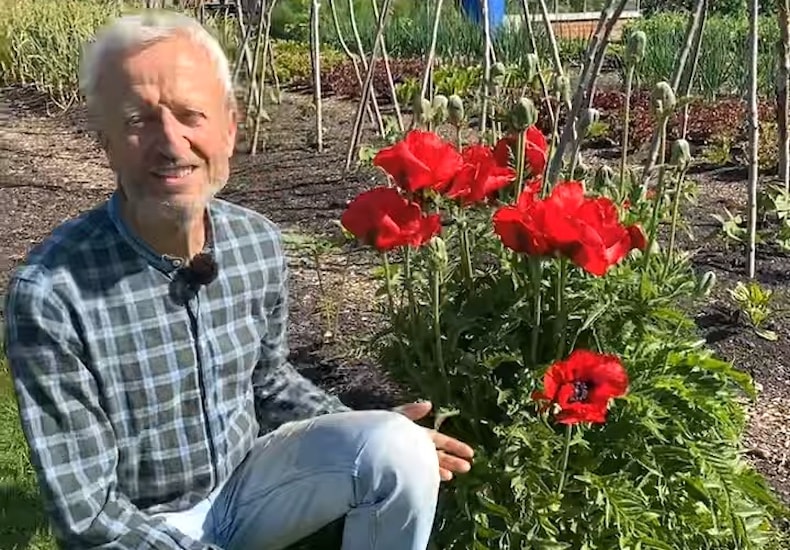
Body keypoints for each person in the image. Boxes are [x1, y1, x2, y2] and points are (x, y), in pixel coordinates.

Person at [3, 10, 473, 550]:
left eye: (191, 115)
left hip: (248, 488)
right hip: (142, 525)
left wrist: (361, 426)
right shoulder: (52, 295)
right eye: (138, 120)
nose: (171, 143)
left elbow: (269, 382)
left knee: (398, 447)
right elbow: (89, 514)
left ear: (230, 126)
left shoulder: (257, 243)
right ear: (105, 141)